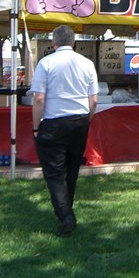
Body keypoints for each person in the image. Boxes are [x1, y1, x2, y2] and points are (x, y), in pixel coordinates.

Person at [31, 25, 99, 237]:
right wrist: (86, 119)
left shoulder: (46, 63)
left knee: (54, 173)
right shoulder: (87, 63)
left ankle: (65, 216)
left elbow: (39, 98)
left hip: (53, 121)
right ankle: (66, 211)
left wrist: (35, 127)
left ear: (54, 42)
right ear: (74, 43)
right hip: (79, 121)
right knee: (71, 170)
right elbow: (94, 100)